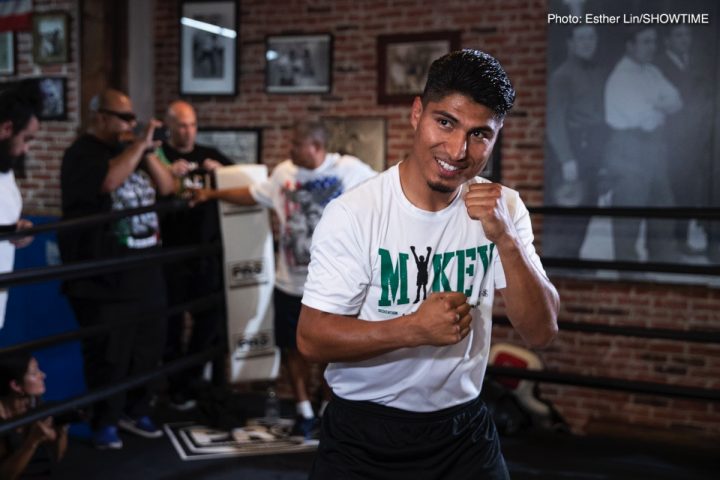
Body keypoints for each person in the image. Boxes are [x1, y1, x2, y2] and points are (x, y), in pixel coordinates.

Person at [297, 49, 560, 479]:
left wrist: (506, 240)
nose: (458, 150)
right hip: (365, 435)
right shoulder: (355, 213)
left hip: (463, 431)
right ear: (416, 113)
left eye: (480, 134)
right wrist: (412, 329)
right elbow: (311, 339)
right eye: (446, 122)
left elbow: (541, 331)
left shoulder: (505, 208)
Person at [192, 121, 376, 442]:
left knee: (334, 351)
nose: (289, 151)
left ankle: (327, 411)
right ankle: (304, 410)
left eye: (295, 145)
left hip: (337, 285)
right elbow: (252, 195)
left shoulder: (351, 171)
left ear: (315, 147)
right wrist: (211, 192)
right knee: (293, 349)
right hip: (290, 282)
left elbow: (388, 191)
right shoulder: (284, 174)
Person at [58, 89, 175, 449]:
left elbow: (168, 186)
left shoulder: (138, 152)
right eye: (122, 118)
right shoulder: (81, 154)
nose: (129, 123)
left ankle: (135, 409)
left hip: (145, 268)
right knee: (110, 353)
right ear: (100, 116)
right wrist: (138, 145)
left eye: (132, 117)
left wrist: (150, 149)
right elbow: (108, 182)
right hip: (102, 277)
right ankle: (103, 421)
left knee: (148, 346)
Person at [157, 100, 233, 410]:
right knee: (171, 324)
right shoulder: (159, 157)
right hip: (170, 253)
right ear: (169, 126)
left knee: (208, 321)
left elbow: (245, 179)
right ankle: (175, 386)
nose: (188, 131)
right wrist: (168, 173)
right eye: (181, 125)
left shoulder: (209, 156)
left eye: (192, 125)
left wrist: (223, 172)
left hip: (206, 252)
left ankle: (192, 380)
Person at [603, 26, 682, 262]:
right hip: (628, 148)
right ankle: (626, 263)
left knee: (662, 203)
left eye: (653, 42)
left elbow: (677, 101)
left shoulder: (652, 72)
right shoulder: (620, 77)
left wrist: (655, 105)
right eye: (646, 42)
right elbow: (643, 118)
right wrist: (658, 105)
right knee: (630, 206)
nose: (652, 47)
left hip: (654, 148)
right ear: (631, 46)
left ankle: (661, 256)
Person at [544, 24, 609, 259]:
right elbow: (555, 119)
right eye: (581, 38)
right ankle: (560, 262)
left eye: (591, 38)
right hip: (572, 149)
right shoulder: (563, 75)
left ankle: (572, 258)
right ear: (570, 43)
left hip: (591, 149)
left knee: (585, 208)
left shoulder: (597, 72)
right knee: (567, 208)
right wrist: (567, 158)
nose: (587, 43)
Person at [655, 25, 714, 256]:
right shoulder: (659, 66)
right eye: (678, 35)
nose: (684, 40)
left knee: (695, 192)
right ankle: (674, 244)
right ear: (668, 39)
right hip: (673, 142)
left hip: (700, 139)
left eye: (687, 35)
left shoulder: (698, 63)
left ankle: (697, 241)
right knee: (676, 193)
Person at [0, 81, 40, 329]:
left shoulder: (6, 171)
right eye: (26, 139)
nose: (26, 149)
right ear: (6, 128)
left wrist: (16, 230)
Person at [0, 354, 68, 479]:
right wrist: (32, 442)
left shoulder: (35, 402)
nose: (43, 375)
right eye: (34, 372)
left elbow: (57, 457)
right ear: (16, 385)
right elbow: (4, 476)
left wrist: (61, 427)